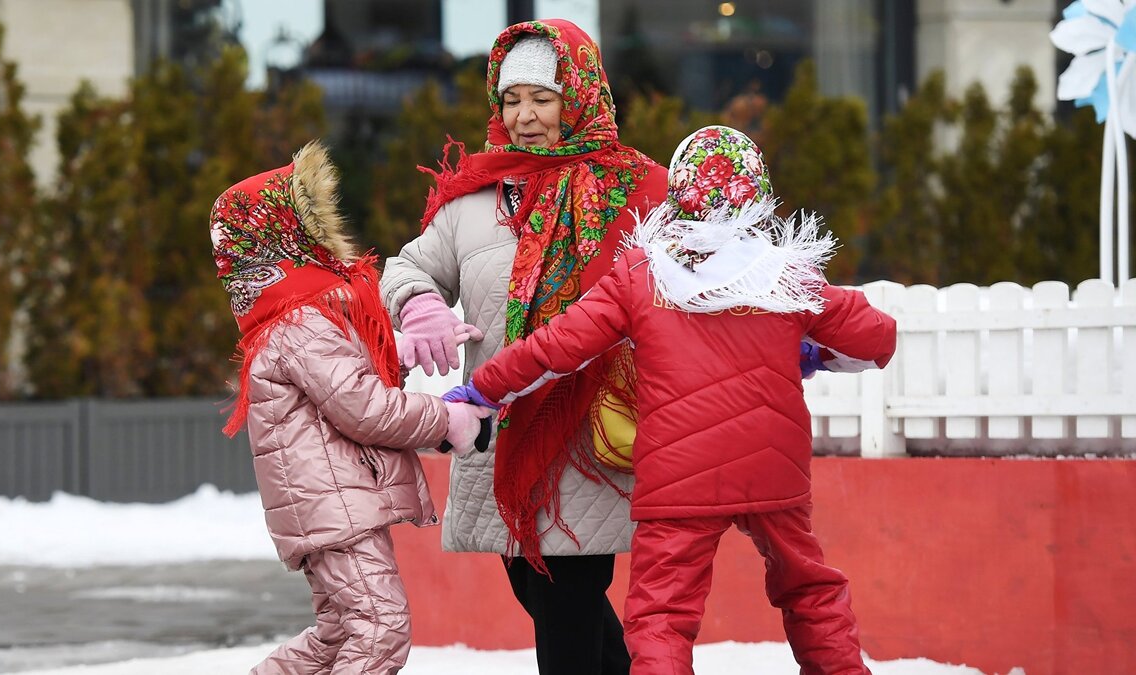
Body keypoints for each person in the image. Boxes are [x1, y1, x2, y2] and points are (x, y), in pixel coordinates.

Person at [453, 126, 897, 674]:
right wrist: (813, 354)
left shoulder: (643, 274)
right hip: (773, 469)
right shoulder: (786, 273)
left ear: (677, 191)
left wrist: (482, 389)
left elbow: (555, 348)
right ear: (758, 193)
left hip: (680, 474)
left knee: (663, 615)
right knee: (809, 589)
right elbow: (876, 339)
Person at [380, 19, 668, 675]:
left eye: (542, 97)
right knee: (540, 589)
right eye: (511, 100)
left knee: (564, 598)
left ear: (580, 95)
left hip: (588, 426)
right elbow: (407, 265)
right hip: (501, 425)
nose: (525, 116)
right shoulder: (476, 200)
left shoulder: (634, 192)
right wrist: (418, 301)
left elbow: (692, 276)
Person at [210, 141, 491, 674]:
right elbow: (363, 408)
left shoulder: (294, 318)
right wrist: (446, 419)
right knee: (381, 629)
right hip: (334, 506)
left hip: (329, 504)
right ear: (287, 238)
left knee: (339, 633)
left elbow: (342, 387)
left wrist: (393, 353)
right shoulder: (302, 323)